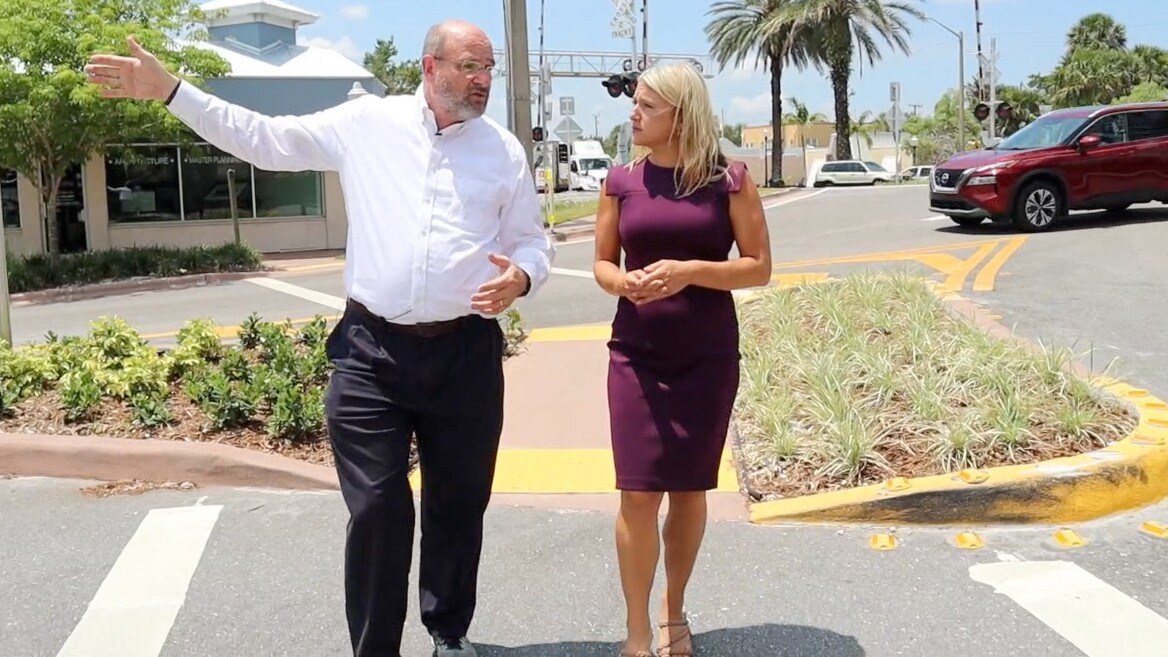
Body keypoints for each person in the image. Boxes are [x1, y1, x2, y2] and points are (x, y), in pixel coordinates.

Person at [85, 21, 554, 657]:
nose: (484, 81)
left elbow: (531, 237)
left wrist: (523, 276)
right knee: (380, 508)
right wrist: (173, 91)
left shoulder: (502, 151)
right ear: (429, 66)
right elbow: (265, 140)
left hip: (464, 352)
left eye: (490, 68)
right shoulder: (368, 123)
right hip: (371, 352)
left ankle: (448, 631)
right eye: (471, 66)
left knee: (459, 501)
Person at [591, 63, 771, 657]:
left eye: (645, 105)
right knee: (638, 493)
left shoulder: (731, 180)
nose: (633, 113)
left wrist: (689, 272)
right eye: (634, 102)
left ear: (681, 114)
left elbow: (758, 266)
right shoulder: (620, 181)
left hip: (707, 354)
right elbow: (602, 264)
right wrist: (624, 285)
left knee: (690, 490)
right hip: (636, 355)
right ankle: (637, 631)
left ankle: (674, 610)